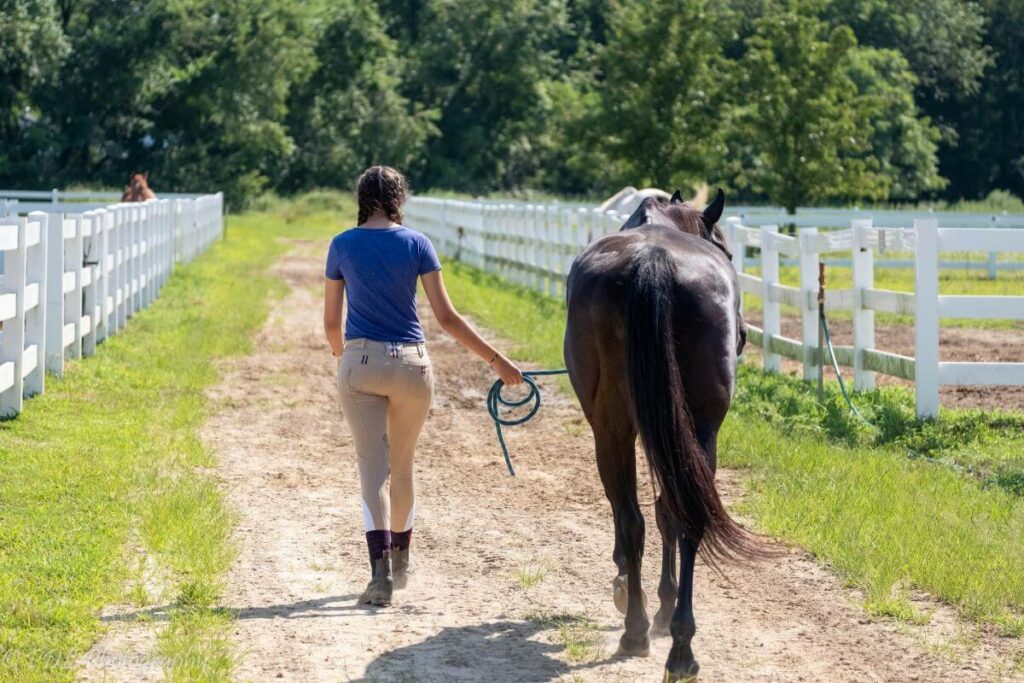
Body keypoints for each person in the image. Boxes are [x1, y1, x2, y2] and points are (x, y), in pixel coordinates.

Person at [323, 166, 524, 607]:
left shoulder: (341, 245)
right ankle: (403, 560)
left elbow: (331, 325)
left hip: (360, 362)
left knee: (372, 470)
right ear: (400, 198)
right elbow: (447, 319)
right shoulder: (418, 243)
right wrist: (497, 361)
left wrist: (345, 356)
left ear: (361, 197)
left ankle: (379, 576)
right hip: (412, 365)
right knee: (403, 465)